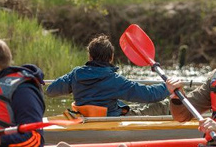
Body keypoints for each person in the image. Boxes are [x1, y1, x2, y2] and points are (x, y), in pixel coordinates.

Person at [46, 34, 183, 117]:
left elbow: (50, 91)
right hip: (110, 119)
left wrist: (70, 82)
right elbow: (148, 95)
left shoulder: (75, 74)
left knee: (128, 108)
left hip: (85, 118)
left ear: (90, 56)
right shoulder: (115, 80)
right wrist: (167, 87)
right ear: (111, 58)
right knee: (163, 105)